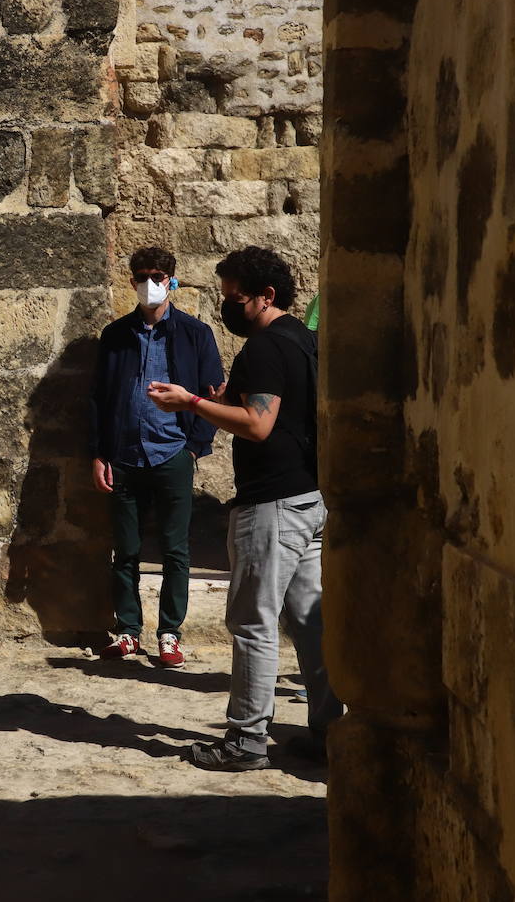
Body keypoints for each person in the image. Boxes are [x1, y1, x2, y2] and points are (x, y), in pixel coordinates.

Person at [148, 245, 343, 771]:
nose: (226, 304)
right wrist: (222, 399)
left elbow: (258, 425)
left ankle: (245, 740)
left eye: (232, 296)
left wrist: (190, 402)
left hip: (273, 503)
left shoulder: (261, 349)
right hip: (311, 498)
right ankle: (330, 731)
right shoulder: (305, 341)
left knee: (252, 621)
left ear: (265, 296)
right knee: (310, 621)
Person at [89, 246, 223, 668]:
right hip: (124, 456)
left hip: (171, 453)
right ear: (131, 281)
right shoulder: (115, 335)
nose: (151, 282)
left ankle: (169, 632)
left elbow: (212, 392)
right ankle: (128, 631)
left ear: (172, 280)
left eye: (159, 275)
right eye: (143, 275)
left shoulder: (195, 334)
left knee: (174, 548)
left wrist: (193, 446)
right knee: (125, 548)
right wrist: (99, 454)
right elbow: (99, 399)